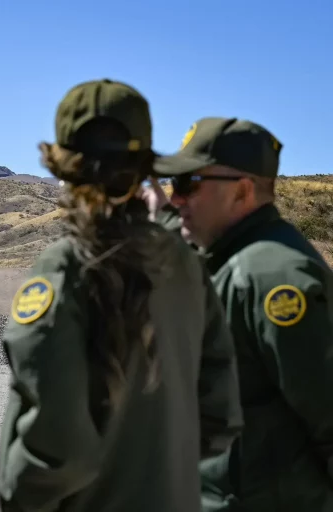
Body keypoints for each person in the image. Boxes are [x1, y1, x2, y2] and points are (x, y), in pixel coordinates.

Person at [0, 79, 244, 511]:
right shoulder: (185, 263)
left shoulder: (65, 267)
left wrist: (19, 493)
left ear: (64, 165)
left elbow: (55, 446)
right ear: (146, 165)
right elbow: (219, 416)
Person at [147, 116, 333, 511]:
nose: (176, 197)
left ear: (242, 191)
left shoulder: (272, 279)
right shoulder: (233, 254)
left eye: (188, 184)